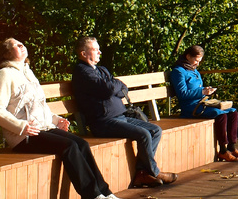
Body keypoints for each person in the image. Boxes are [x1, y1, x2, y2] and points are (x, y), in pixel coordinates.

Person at [0, 39, 120, 199]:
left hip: (42, 128)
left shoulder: (27, 72)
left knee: (82, 144)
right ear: (6, 54)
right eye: (16, 45)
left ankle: (105, 192)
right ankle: (92, 195)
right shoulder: (4, 75)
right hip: (23, 136)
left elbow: (37, 106)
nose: (22, 45)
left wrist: (55, 120)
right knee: (69, 146)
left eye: (22, 43)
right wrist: (20, 127)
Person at [72, 37, 176, 188]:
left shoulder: (101, 70)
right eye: (95, 49)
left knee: (155, 130)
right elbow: (108, 89)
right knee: (144, 134)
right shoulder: (82, 72)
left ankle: (142, 174)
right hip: (103, 122)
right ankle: (153, 172)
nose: (100, 52)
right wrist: (114, 85)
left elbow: (122, 89)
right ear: (83, 53)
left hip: (120, 117)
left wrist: (114, 85)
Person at [168, 45, 238, 162]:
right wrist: (202, 91)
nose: (197, 64)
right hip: (190, 107)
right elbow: (182, 94)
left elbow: (198, 89)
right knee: (220, 114)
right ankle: (223, 151)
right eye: (196, 60)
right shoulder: (178, 71)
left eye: (199, 61)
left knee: (233, 112)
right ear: (188, 56)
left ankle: (232, 147)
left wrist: (206, 90)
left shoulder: (195, 71)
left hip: (202, 103)